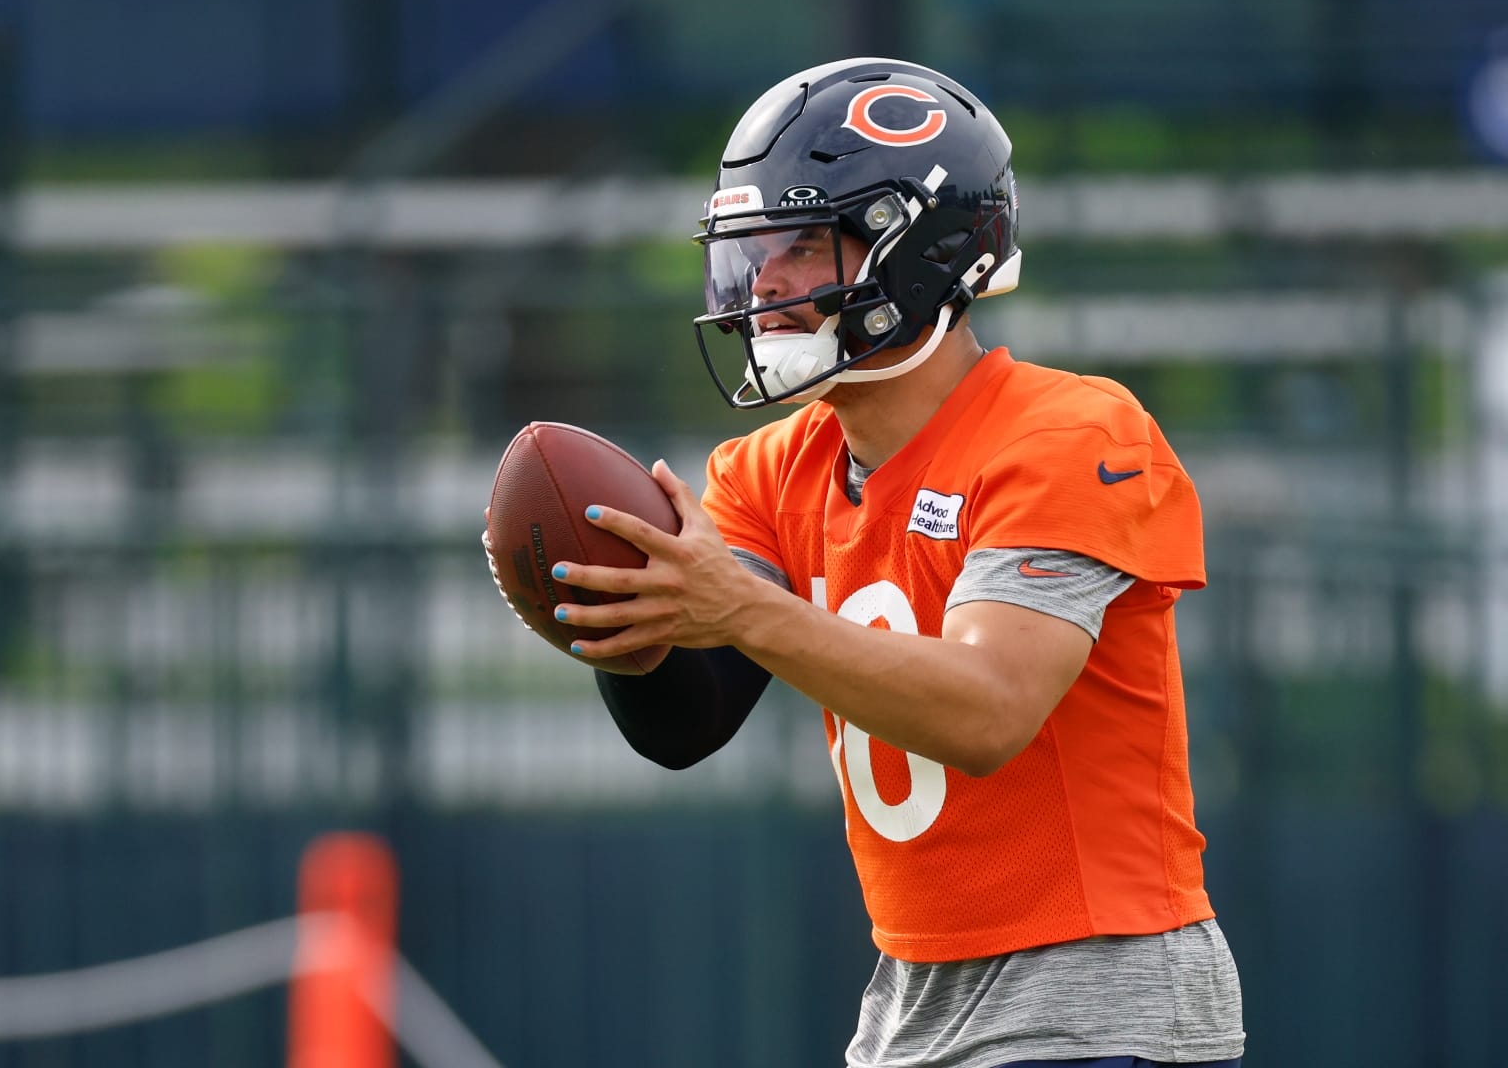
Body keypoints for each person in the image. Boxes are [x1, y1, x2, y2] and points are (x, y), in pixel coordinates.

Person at [516, 58, 1244, 1067]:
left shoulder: (1068, 432)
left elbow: (988, 712)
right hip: (913, 1008)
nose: (764, 282)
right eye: (754, 251)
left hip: (1096, 1000)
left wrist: (739, 608)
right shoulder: (771, 469)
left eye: (802, 244)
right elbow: (687, 722)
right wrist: (616, 614)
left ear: (922, 252)